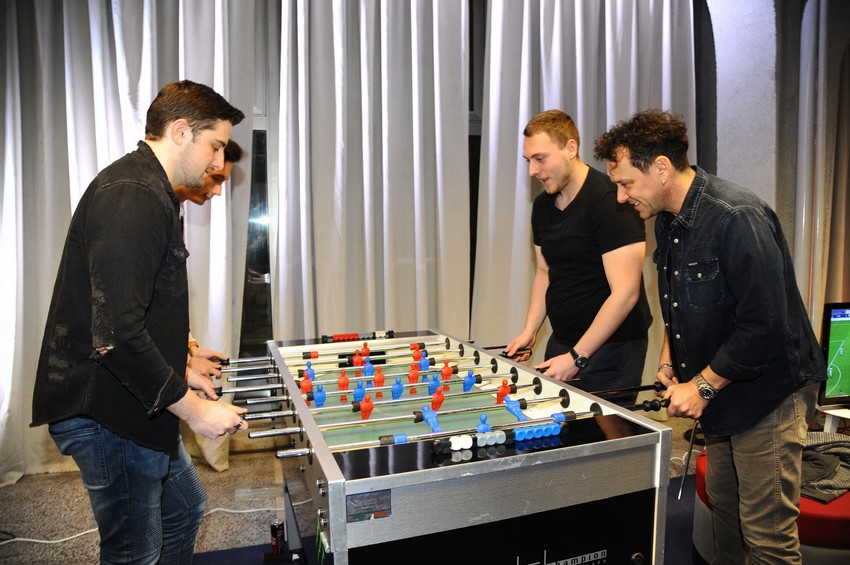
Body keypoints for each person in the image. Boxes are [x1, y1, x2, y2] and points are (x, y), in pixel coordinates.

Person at [593, 108, 825, 563]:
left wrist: (701, 386)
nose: (621, 197)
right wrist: (668, 360)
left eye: (626, 183)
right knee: (725, 510)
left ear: (661, 167)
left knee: (766, 534)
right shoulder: (667, 219)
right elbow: (677, 304)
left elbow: (764, 325)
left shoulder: (737, 216)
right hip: (722, 389)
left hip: (768, 394)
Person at [32, 80, 248, 565]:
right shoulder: (132, 194)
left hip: (133, 401)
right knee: (135, 552)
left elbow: (141, 309)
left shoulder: (153, 192)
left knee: (185, 509)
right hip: (106, 412)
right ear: (180, 131)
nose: (219, 162)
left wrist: (182, 363)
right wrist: (196, 411)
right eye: (215, 145)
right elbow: (117, 335)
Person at [504, 109, 652, 405]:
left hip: (614, 348)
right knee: (558, 427)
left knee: (605, 432)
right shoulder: (542, 206)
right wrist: (530, 330)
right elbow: (545, 272)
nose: (533, 170)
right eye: (528, 160)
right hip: (563, 340)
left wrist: (576, 357)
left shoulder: (612, 202)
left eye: (540, 158)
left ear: (570, 148)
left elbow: (625, 293)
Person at [174, 138, 244, 394]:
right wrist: (183, 370)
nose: (217, 191)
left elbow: (162, 303)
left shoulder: (174, 210)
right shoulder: (146, 207)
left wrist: (189, 349)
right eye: (216, 178)